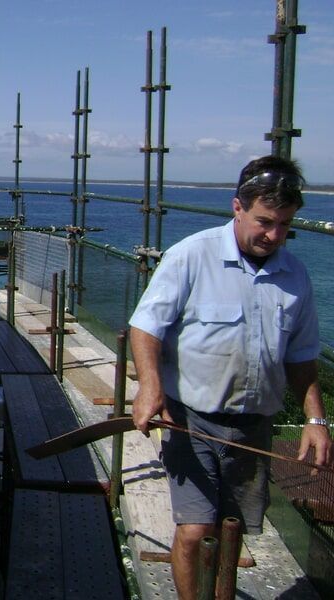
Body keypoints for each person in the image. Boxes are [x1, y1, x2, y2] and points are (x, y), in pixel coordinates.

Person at [128, 155, 332, 599]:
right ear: (236, 206)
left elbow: (301, 357)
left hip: (254, 427)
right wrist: (150, 386)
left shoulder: (294, 275)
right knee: (195, 530)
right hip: (190, 420)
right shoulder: (191, 256)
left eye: (284, 224)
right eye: (264, 221)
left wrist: (316, 420)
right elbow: (144, 327)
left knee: (230, 532)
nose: (274, 235)